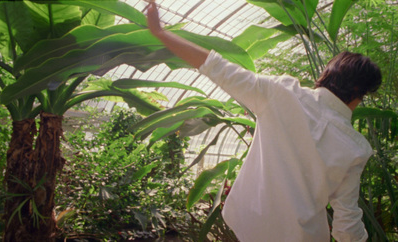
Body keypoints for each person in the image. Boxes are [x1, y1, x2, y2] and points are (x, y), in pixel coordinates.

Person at [146, 2, 382, 241]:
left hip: (249, 226)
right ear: (357, 92)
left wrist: (160, 33)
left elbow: (218, 67)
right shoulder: (356, 148)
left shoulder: (282, 93)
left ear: (328, 74)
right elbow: (347, 219)